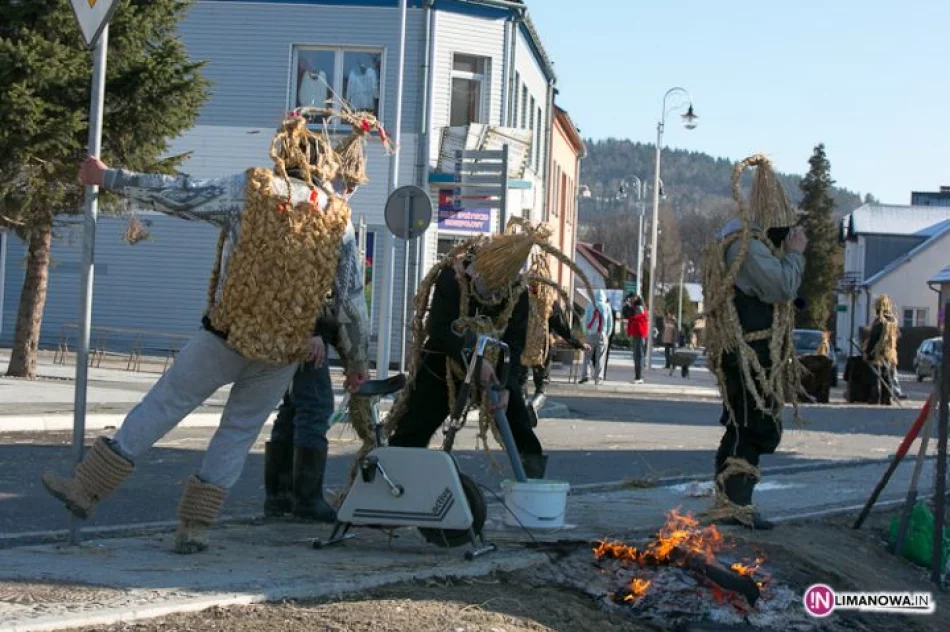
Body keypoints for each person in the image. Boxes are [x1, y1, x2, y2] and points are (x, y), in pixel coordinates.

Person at [41, 111, 377, 553]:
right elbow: (350, 302)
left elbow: (183, 195)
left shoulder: (252, 190)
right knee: (237, 431)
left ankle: (87, 489)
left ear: (283, 154)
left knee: (166, 403)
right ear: (324, 165)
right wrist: (356, 365)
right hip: (284, 350)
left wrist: (110, 178)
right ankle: (194, 528)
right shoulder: (338, 218)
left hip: (227, 333)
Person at [383, 222, 592, 479]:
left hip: (495, 367)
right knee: (414, 426)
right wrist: (472, 356)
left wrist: (505, 386)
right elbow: (438, 328)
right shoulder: (452, 277)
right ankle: (392, 483)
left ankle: (533, 486)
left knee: (519, 425)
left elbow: (514, 346)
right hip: (444, 364)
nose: (491, 294)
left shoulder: (518, 294)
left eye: (497, 290)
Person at [703, 154, 808, 531]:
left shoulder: (748, 244)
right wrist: (795, 256)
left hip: (755, 355)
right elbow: (779, 285)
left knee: (744, 424)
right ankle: (733, 504)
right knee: (755, 425)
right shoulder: (744, 245)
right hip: (748, 355)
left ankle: (732, 502)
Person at [264, 300, 341, 523]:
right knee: (315, 406)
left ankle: (281, 495)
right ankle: (306, 500)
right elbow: (311, 283)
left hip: (288, 326)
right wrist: (314, 330)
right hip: (304, 330)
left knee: (293, 406)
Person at [864, 294, 905, 401]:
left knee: (876, 377)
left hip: (878, 354)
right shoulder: (893, 320)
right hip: (890, 354)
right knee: (888, 377)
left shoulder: (880, 321)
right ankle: (887, 399)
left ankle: (875, 398)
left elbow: (873, 338)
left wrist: (867, 353)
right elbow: (898, 335)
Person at [579, 290, 613, 385]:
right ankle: (598, 378)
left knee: (587, 356)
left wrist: (585, 332)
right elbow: (610, 323)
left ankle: (586, 375)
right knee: (600, 357)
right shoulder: (607, 307)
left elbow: (585, 320)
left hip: (590, 334)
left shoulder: (589, 306)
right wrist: (607, 334)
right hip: (602, 335)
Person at [625, 294, 649, 384]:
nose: (631, 300)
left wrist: (629, 305)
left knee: (638, 356)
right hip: (637, 334)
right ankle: (638, 376)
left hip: (639, 334)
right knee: (637, 356)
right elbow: (629, 314)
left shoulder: (639, 308)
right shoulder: (637, 307)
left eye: (633, 298)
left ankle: (639, 377)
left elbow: (633, 315)